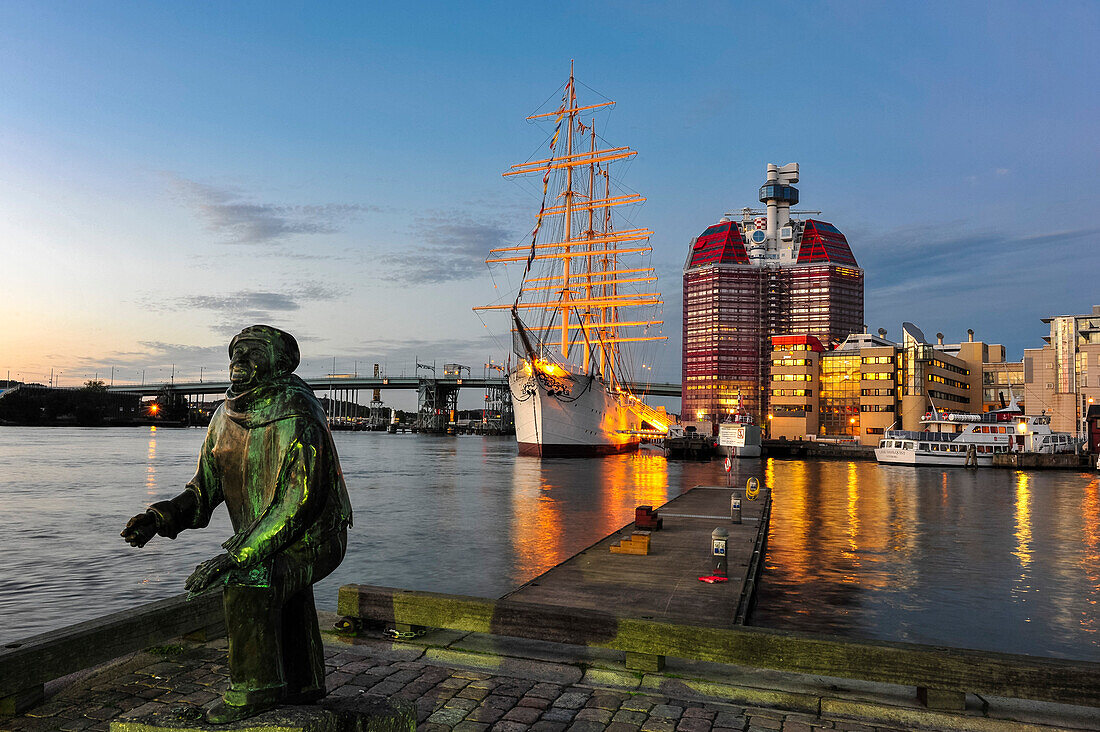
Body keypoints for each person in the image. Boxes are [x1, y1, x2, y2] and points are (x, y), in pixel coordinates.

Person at [121, 325, 353, 724]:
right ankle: (302, 681)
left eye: (252, 353)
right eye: (235, 352)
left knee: (249, 582)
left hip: (315, 537)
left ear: (281, 364)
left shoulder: (300, 416)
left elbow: (295, 507)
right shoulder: (222, 418)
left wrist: (235, 557)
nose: (238, 361)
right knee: (279, 584)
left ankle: (254, 690)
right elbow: (202, 491)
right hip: (265, 536)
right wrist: (158, 518)